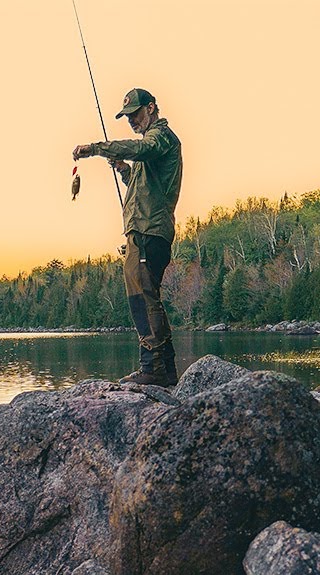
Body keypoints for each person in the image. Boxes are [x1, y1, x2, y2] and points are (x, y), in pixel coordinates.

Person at [73, 88, 183, 386]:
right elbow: (144, 185)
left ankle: (153, 369)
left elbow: (142, 149)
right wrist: (124, 171)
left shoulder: (161, 138)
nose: (132, 120)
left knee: (141, 299)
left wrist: (96, 148)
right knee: (150, 298)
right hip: (144, 231)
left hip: (149, 232)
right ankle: (167, 369)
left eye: (136, 113)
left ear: (151, 108)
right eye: (128, 116)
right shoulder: (153, 147)